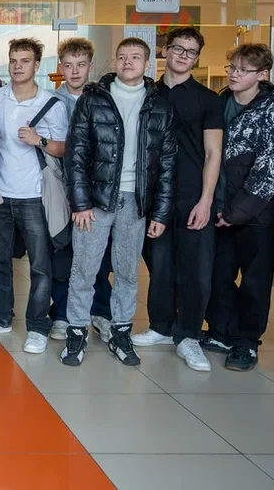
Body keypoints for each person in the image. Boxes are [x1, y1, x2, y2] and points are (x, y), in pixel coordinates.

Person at [61, 38, 175, 368]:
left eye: (135, 57)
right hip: (95, 201)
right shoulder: (94, 99)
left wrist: (160, 212)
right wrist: (80, 203)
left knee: (127, 272)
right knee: (84, 269)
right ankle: (76, 332)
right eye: (122, 56)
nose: (128, 62)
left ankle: (121, 331)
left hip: (135, 202)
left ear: (147, 64)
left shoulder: (160, 104)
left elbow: (167, 163)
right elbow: (76, 153)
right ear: (115, 61)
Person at [135, 27, 222, 374]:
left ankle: (188, 335)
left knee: (195, 269)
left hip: (191, 194)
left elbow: (213, 153)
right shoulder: (146, 94)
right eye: (178, 48)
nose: (183, 55)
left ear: (197, 58)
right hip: (153, 195)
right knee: (159, 265)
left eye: (191, 51)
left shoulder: (208, 99)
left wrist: (206, 200)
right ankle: (160, 326)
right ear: (165, 51)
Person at [205, 43, 274, 373]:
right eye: (233, 68)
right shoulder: (220, 102)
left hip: (255, 214)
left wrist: (236, 212)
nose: (235, 74)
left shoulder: (273, 110)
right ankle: (222, 331)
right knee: (217, 275)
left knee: (255, 281)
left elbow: (270, 167)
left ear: (262, 74)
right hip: (218, 208)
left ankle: (247, 341)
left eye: (243, 70)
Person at [0, 38, 67, 355]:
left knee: (41, 265)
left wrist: (39, 140)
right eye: (14, 60)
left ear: (37, 65)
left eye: (25, 60)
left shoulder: (51, 103)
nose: (18, 66)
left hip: (34, 195)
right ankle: (1, 317)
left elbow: (63, 148)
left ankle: (37, 327)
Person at [49, 38, 111, 341]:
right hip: (61, 187)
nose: (75, 71)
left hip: (96, 189)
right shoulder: (51, 101)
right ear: (60, 67)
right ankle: (62, 314)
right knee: (63, 253)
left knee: (96, 255)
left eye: (81, 65)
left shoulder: (104, 99)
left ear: (90, 66)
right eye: (69, 65)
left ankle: (100, 312)